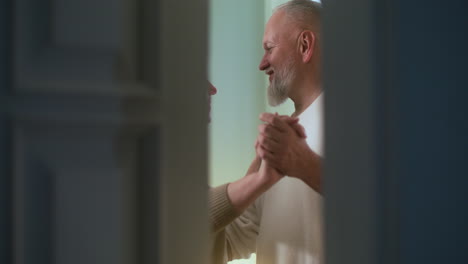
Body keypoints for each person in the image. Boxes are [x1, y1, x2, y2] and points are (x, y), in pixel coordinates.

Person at [210, 1, 324, 263]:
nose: (262, 64)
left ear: (305, 46)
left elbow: (381, 208)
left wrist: (302, 162)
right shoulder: (278, 144)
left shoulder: (356, 121)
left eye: (269, 49)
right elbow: (232, 239)